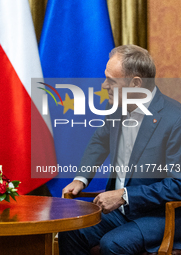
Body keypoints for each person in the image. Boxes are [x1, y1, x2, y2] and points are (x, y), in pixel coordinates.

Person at [59, 45, 181, 254]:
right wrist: (81, 178)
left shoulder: (174, 118)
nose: (104, 85)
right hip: (121, 211)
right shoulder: (116, 107)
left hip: (159, 215)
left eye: (111, 81)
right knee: (70, 230)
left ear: (135, 83)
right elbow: (99, 141)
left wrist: (124, 195)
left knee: (113, 243)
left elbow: (177, 184)